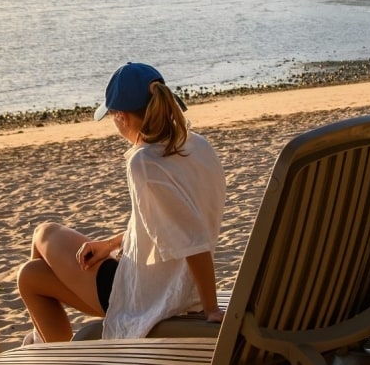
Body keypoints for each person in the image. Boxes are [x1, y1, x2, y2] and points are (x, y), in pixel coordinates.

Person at [14, 62, 225, 344]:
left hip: (148, 294)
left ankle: (45, 346)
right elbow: (171, 224)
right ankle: (43, 345)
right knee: (31, 275)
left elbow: (192, 240)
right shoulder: (197, 145)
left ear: (121, 117)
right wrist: (110, 245)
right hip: (171, 283)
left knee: (43, 235)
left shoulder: (144, 162)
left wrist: (211, 309)